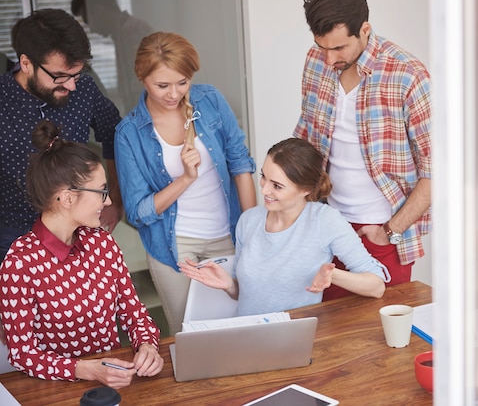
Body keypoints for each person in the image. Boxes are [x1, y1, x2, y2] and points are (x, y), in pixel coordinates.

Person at [0, 120, 163, 388]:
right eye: (101, 192)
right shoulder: (19, 264)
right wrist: (84, 369)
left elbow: (135, 314)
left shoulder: (103, 243)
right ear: (66, 198)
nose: (108, 202)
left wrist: (147, 345)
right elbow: (22, 354)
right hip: (55, 390)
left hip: (114, 385)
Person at [294, 0, 432, 300]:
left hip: (381, 231)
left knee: (380, 339)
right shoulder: (316, 61)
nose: (329, 58)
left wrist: (391, 231)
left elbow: (437, 170)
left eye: (339, 47)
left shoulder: (407, 74)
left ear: (365, 30)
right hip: (324, 226)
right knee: (325, 331)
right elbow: (306, 136)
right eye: (321, 46)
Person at [115, 31, 256, 334]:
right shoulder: (129, 133)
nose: (173, 93)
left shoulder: (211, 101)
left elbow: (241, 167)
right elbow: (138, 212)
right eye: (162, 85)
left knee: (240, 327)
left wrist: (252, 229)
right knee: (189, 338)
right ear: (142, 77)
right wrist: (185, 179)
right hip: (175, 248)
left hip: (228, 235)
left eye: (183, 82)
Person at [179, 138, 390, 316]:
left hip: (294, 342)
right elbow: (245, 294)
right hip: (246, 337)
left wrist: (333, 276)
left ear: (305, 190)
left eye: (277, 186)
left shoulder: (325, 221)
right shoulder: (249, 221)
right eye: (264, 177)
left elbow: (376, 286)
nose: (265, 190)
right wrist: (230, 285)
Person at [0, 8, 123, 262]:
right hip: (11, 236)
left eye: (76, 74)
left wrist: (115, 200)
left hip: (79, 232)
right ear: (25, 63)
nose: (71, 85)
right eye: (60, 76)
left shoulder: (84, 90)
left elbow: (114, 134)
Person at [71, 0, 155, 115]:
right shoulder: (121, 34)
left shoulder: (133, 32)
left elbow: (142, 87)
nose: (91, 29)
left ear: (98, 11)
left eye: (88, 21)